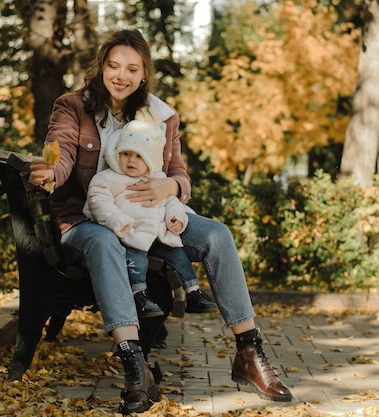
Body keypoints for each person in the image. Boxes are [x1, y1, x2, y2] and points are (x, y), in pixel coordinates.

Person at [28, 28, 293, 415]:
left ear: (144, 74)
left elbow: (181, 176)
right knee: (104, 242)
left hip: (153, 215)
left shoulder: (161, 116)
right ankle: (135, 368)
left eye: (131, 68)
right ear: (101, 67)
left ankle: (249, 353)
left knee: (217, 235)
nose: (121, 75)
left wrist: (169, 184)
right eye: (113, 65)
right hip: (87, 222)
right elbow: (63, 152)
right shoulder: (73, 107)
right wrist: (51, 173)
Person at [82, 106, 218, 319]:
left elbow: (172, 201)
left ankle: (193, 292)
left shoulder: (157, 178)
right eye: (126, 154)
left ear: (150, 160)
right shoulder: (108, 178)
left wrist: (175, 218)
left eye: (139, 156)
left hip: (157, 233)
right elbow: (99, 202)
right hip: (130, 233)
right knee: (137, 260)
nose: (131, 161)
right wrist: (117, 219)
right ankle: (139, 295)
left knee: (178, 254)